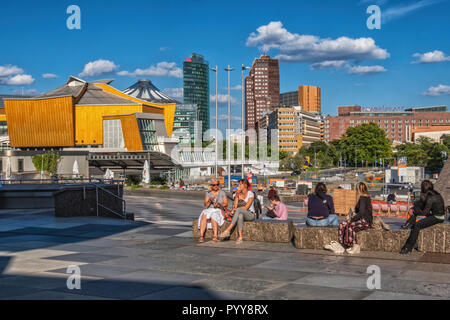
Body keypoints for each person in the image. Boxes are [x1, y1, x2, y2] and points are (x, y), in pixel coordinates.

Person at [325, 182, 373, 254]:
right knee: (342, 224)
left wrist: (352, 219)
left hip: (365, 221)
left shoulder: (363, 198)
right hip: (362, 220)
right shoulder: (364, 198)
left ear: (358, 189)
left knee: (349, 226)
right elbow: (359, 211)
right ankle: (342, 245)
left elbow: (361, 212)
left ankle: (355, 246)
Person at [400, 180, 445, 254]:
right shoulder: (433, 193)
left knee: (417, 225)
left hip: (438, 217)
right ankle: (409, 223)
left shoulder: (430, 197)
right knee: (416, 207)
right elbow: (421, 203)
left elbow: (424, 212)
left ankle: (408, 247)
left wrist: (414, 211)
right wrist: (413, 208)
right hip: (434, 213)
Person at [219, 179, 255, 244]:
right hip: (241, 213)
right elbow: (235, 206)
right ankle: (240, 237)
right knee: (240, 216)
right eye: (239, 184)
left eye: (241, 184)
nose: (239, 186)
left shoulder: (250, 194)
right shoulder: (237, 194)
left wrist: (236, 210)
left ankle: (228, 230)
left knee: (239, 210)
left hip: (250, 214)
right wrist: (237, 195)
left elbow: (246, 207)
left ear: (246, 185)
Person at [198, 179, 228, 243]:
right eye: (214, 185)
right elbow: (205, 205)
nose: (216, 186)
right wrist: (210, 200)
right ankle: (201, 236)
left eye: (217, 184)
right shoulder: (208, 193)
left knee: (213, 216)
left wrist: (219, 205)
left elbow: (226, 204)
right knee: (204, 215)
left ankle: (215, 236)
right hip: (209, 209)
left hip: (218, 209)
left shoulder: (222, 193)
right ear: (211, 186)